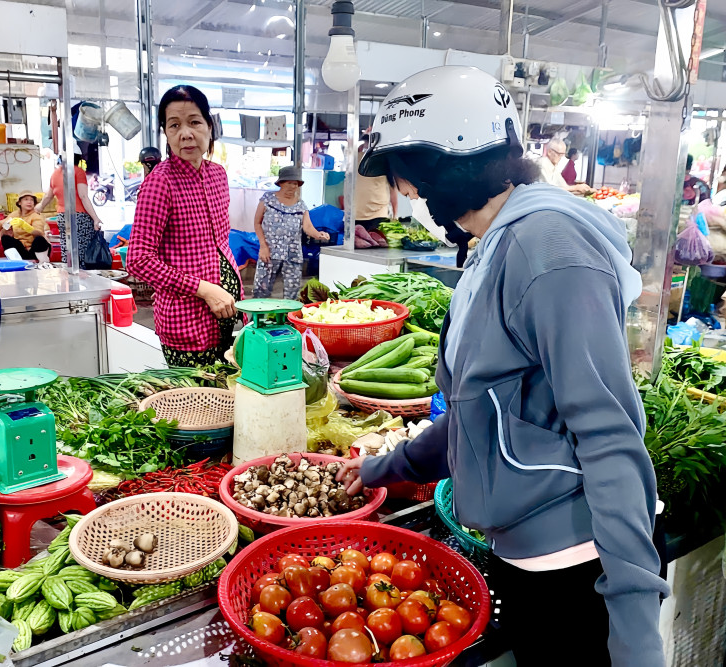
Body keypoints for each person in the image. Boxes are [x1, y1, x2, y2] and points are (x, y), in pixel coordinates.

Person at [338, 65, 668, 667]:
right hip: (526, 557)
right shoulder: (494, 245)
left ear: (450, 166)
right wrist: (390, 466)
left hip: (579, 571)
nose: (405, 196)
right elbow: (482, 410)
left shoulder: (550, 251)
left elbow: (610, 436)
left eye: (408, 176)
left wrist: (636, 629)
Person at [127, 84, 243, 367]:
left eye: (194, 122)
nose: (186, 133)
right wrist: (205, 289)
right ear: (166, 133)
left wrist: (232, 293)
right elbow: (138, 260)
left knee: (229, 388)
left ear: (209, 126)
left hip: (228, 312)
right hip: (188, 322)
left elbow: (219, 244)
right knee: (198, 394)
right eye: (175, 125)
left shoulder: (218, 175)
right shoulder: (159, 182)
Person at [253, 165, 329, 299]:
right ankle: (258, 313)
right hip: (269, 253)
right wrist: (263, 246)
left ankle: (289, 312)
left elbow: (307, 227)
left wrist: (319, 234)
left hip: (292, 254)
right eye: (289, 183)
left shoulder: (301, 204)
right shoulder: (267, 199)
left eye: (295, 183)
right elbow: (257, 223)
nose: (293, 186)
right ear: (281, 183)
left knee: (292, 293)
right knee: (261, 290)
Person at [38, 142, 104, 267]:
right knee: (83, 252)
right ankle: (83, 276)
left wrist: (39, 208)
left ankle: (68, 274)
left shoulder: (55, 173)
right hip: (79, 217)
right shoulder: (78, 172)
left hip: (62, 216)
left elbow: (48, 196)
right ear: (78, 157)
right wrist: (95, 218)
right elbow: (83, 196)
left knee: (67, 248)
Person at [0, 190, 51, 261]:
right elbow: (2, 224)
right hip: (22, 249)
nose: (29, 202)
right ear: (19, 202)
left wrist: (25, 226)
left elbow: (39, 233)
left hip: (35, 250)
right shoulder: (15, 214)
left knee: (39, 239)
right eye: (26, 199)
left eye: (32, 200)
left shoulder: (36, 216)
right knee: (5, 238)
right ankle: (17, 262)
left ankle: (43, 262)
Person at [355, 140, 400, 231]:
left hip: (376, 215)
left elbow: (392, 189)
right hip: (359, 215)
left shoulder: (385, 160)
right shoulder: (356, 159)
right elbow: (393, 190)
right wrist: (395, 215)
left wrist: (395, 215)